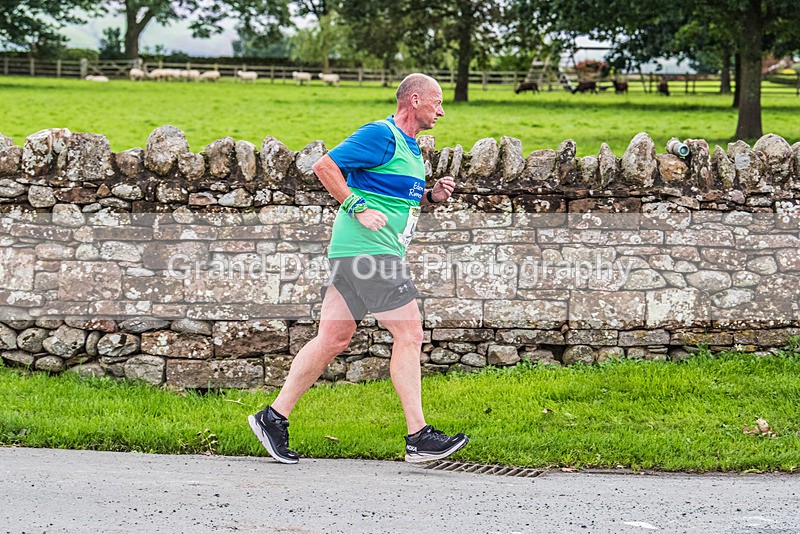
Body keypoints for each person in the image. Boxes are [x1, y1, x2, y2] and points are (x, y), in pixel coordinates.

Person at [248, 73, 468, 464]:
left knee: (331, 339)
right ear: (414, 100)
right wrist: (357, 208)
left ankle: (272, 417)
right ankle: (418, 436)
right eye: (436, 101)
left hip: (357, 254)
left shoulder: (411, 148)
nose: (442, 110)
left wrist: (432, 197)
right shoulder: (380, 134)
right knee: (410, 333)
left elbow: (401, 202)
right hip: (370, 253)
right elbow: (325, 166)